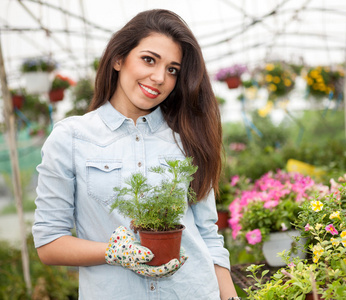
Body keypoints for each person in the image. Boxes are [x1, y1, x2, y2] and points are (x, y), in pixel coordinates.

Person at [32, 9, 240, 300]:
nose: (159, 78)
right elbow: (49, 243)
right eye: (149, 60)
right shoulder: (71, 138)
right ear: (119, 58)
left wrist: (231, 298)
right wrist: (113, 252)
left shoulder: (187, 139)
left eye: (172, 70)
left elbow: (208, 236)